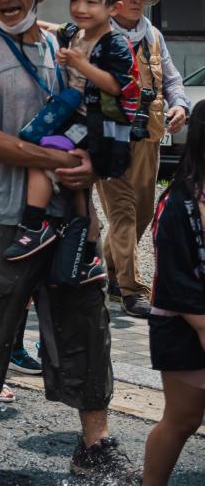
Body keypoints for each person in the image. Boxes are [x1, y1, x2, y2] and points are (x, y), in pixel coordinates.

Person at [0, 0, 122, 475]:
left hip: (73, 213)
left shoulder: (65, 47)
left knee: (86, 322)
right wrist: (56, 157)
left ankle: (95, 442)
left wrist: (90, 168)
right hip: (6, 216)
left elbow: (105, 111)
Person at [2, 0, 131, 284]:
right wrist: (25, 23)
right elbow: (55, 29)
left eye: (91, 2)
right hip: (73, 115)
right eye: (75, 0)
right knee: (79, 193)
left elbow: (116, 85)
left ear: (114, 8)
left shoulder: (114, 43)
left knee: (39, 155)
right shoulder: (76, 33)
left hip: (95, 125)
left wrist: (80, 63)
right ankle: (89, 256)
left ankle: (35, 225)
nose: (80, 8)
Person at [103, 0, 191, 318]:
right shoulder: (97, 35)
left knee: (140, 212)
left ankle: (105, 266)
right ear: (114, 1)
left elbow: (171, 78)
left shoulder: (153, 35)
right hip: (108, 137)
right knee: (122, 211)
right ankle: (131, 290)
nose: (137, 0)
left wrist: (180, 105)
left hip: (149, 135)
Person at [142, 103, 205, 486]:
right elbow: (174, 278)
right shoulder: (178, 202)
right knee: (182, 420)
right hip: (183, 323)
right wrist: (201, 325)